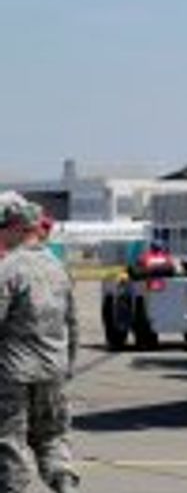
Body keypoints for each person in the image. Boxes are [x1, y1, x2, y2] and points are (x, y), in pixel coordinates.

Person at [0, 193, 79, 492]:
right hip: (53, 370)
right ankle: (65, 486)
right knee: (53, 437)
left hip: (13, 374)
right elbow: (73, 324)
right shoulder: (58, 268)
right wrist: (67, 366)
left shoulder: (8, 269)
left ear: (16, 228)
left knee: (10, 441)